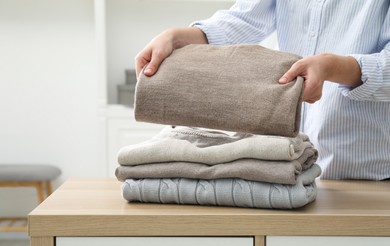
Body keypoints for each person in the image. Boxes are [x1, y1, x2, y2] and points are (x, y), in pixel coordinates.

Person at [135, 0, 390, 180]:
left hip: (365, 173)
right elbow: (244, 18)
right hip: (290, 168)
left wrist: (335, 67)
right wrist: (180, 36)